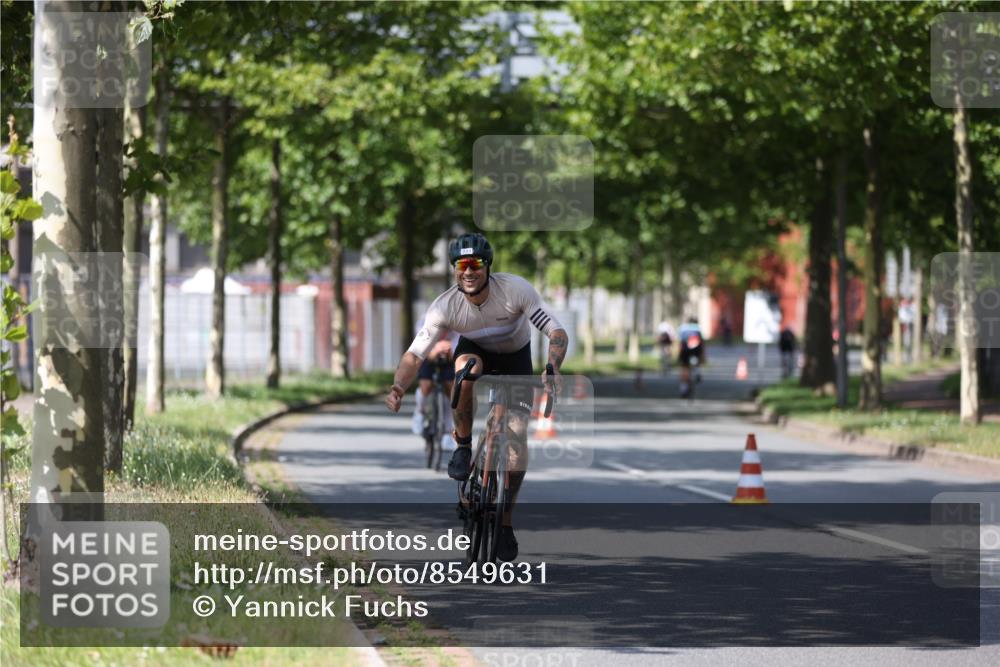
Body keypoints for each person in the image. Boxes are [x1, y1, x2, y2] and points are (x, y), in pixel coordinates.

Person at [384, 233, 568, 562]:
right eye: (461, 265)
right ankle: (464, 446)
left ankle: (506, 524)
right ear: (455, 269)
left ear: (487, 267)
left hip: (515, 358)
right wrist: (399, 387)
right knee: (465, 369)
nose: (468, 271)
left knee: (515, 442)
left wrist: (552, 366)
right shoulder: (445, 305)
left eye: (475, 264)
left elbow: (556, 332)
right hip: (475, 353)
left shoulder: (515, 290)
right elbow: (415, 355)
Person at [412, 336, 456, 451]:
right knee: (426, 386)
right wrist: (434, 350)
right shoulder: (425, 322)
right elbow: (419, 346)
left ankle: (448, 429)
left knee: (451, 389)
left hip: (449, 360)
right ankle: (420, 412)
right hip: (427, 357)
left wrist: (449, 351)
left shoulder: (456, 326)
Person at [677, 317, 705, 398]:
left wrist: (679, 355)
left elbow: (680, 342)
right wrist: (703, 356)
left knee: (684, 368)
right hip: (696, 349)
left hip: (685, 349)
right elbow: (702, 343)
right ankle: (697, 372)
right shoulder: (698, 328)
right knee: (697, 359)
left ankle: (683, 389)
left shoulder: (683, 328)